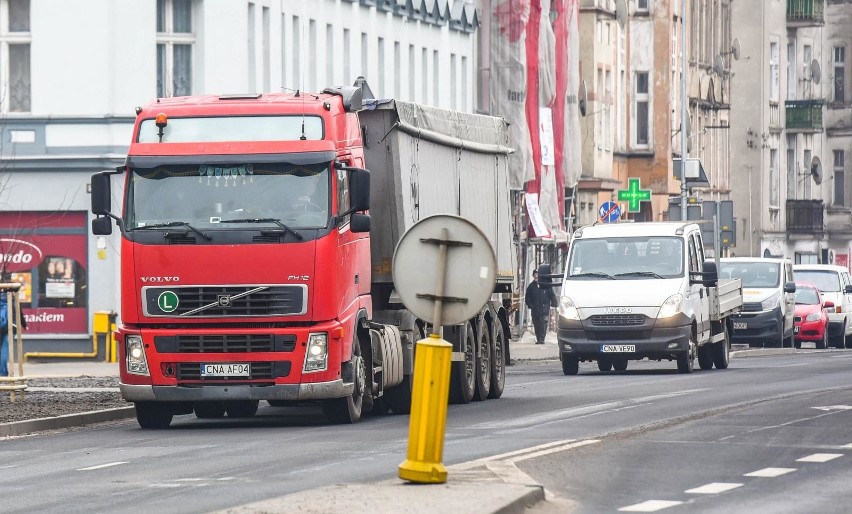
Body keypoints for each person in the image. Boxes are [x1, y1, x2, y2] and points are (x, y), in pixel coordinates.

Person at [525, 269, 558, 344]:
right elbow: (527, 297)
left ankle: (542, 339)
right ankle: (538, 338)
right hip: (535, 309)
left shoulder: (546, 285)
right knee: (536, 324)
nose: (536, 276)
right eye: (535, 275)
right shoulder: (531, 286)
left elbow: (551, 295)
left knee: (544, 323)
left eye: (538, 274)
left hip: (544, 308)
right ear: (533, 276)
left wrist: (554, 303)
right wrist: (530, 305)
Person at [0, 294, 8, 377]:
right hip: (7, 328)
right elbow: (19, 312)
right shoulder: (10, 298)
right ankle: (3, 372)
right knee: (4, 348)